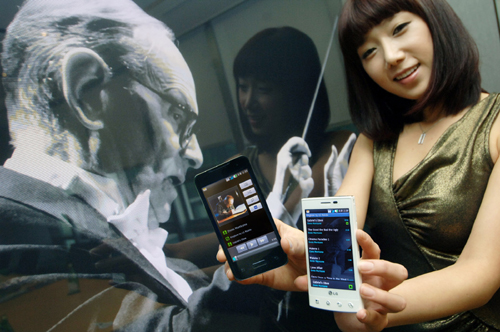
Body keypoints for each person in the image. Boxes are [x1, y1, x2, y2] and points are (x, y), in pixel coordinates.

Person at [219, 0, 500, 331]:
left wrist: (370, 305)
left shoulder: (494, 125)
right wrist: (303, 255)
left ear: (436, 22)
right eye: (369, 52)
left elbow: (479, 273)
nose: (391, 56)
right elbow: (340, 231)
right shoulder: (373, 140)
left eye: (399, 29)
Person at [0, 0, 270, 331]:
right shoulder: (10, 227)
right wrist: (260, 248)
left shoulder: (120, 238)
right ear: (87, 93)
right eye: (176, 114)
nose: (196, 154)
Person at [233, 26, 357, 228]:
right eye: (242, 87)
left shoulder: (338, 144)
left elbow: (291, 216)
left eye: (263, 89)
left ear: (296, 93)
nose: (248, 102)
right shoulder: (239, 166)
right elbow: (235, 239)